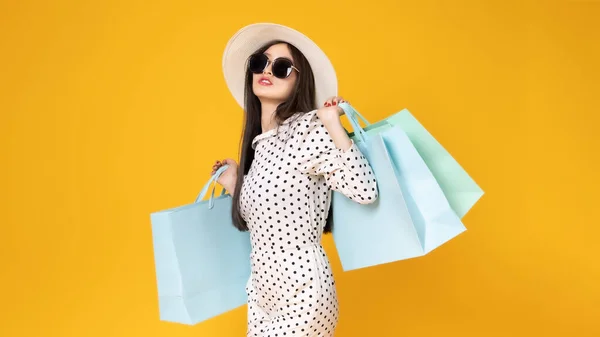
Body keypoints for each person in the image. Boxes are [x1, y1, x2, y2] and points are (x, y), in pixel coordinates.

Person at [213, 23, 378, 336]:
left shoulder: (309, 130)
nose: (268, 71)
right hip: (262, 294)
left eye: (282, 67)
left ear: (300, 82)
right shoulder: (260, 146)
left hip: (303, 291)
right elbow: (269, 220)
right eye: (260, 63)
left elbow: (365, 190)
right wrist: (236, 184)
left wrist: (332, 125)